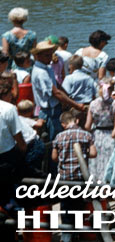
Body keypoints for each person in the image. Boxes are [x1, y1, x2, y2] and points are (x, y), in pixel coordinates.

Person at [52, 110, 96, 242]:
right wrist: (83, 153)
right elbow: (93, 153)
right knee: (79, 207)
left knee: (66, 208)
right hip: (80, 177)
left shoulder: (59, 136)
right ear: (76, 120)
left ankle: (66, 236)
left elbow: (54, 157)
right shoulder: (86, 135)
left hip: (65, 179)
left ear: (63, 124)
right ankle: (77, 234)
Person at [32, 40, 86, 139]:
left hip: (56, 108)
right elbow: (56, 92)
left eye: (50, 55)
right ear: (38, 56)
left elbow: (57, 85)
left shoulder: (48, 68)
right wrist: (76, 105)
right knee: (54, 138)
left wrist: (69, 98)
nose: (50, 58)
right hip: (49, 111)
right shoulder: (41, 73)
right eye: (46, 56)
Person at [85, 77, 115, 182]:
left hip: (96, 136)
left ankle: (95, 185)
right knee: (108, 163)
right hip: (110, 136)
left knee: (95, 164)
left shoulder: (93, 104)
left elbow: (87, 126)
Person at [0, 76, 26, 208]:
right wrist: (23, 149)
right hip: (6, 156)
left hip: (6, 154)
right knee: (11, 190)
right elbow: (18, 135)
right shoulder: (9, 108)